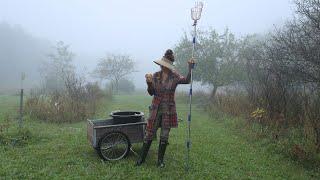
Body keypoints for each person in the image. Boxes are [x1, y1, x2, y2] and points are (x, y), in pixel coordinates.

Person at [136, 49, 195, 167]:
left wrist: (190, 68)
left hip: (168, 110)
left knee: (164, 135)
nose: (162, 67)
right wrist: (149, 83)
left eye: (165, 66)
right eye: (161, 65)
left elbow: (187, 80)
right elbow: (151, 92)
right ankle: (141, 159)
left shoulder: (175, 76)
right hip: (155, 109)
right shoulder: (155, 76)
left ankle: (160, 161)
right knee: (149, 133)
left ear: (169, 66)